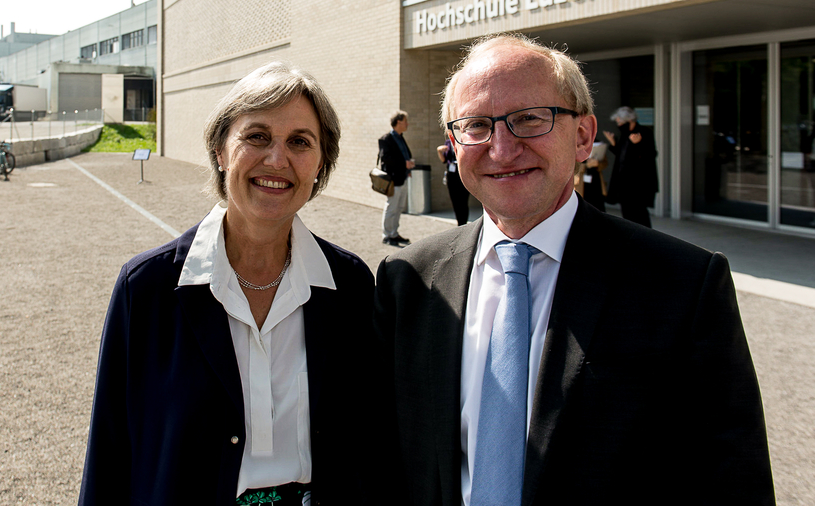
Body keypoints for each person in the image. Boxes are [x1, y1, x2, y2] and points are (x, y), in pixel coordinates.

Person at [373, 34, 774, 506]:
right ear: (454, 146)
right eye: (476, 126)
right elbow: (385, 463)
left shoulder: (682, 285)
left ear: (583, 136)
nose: (501, 149)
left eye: (528, 119)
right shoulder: (409, 280)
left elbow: (731, 482)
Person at [79, 62, 375, 505]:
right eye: (257, 136)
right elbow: (110, 449)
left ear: (320, 163)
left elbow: (370, 445)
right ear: (220, 150)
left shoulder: (349, 286)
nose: (277, 159)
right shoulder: (148, 288)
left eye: (300, 142)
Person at [603, 106, 659, 227]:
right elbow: (623, 156)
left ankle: (645, 237)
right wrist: (613, 144)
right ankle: (632, 235)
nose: (619, 125)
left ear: (629, 120)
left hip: (638, 183)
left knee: (639, 212)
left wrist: (637, 144)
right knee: (627, 212)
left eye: (620, 122)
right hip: (624, 182)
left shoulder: (644, 133)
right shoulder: (625, 134)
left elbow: (650, 155)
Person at [378, 110, 415, 245]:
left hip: (403, 177)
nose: (407, 124)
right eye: (405, 121)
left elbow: (404, 154)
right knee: (391, 207)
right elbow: (386, 159)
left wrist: (407, 167)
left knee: (398, 208)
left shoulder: (401, 137)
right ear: (398, 122)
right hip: (393, 180)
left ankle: (394, 233)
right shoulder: (386, 139)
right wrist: (404, 163)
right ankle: (387, 235)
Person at [437, 137, 469, 225]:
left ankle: (464, 223)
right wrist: (439, 151)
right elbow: (444, 160)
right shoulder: (448, 142)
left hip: (462, 173)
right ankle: (459, 223)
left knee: (463, 200)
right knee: (455, 200)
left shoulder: (464, 140)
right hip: (452, 174)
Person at [573, 139, 608, 211]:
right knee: (582, 207)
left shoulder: (597, 143)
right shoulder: (575, 142)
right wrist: (586, 165)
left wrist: (598, 164)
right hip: (581, 180)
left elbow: (605, 162)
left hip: (595, 179)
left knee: (598, 207)